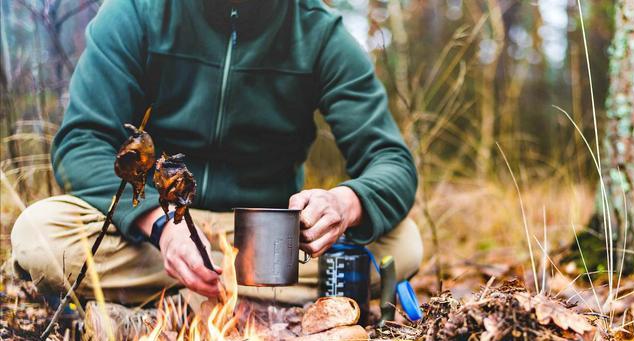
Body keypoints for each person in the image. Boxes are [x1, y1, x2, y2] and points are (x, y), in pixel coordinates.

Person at [10, 0, 423, 308]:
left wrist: (344, 203)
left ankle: (179, 303)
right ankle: (253, 301)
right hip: (156, 230)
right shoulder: (137, 12)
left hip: (264, 239)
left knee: (402, 245)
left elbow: (390, 159)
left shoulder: (321, 35)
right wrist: (162, 227)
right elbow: (82, 141)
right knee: (39, 235)